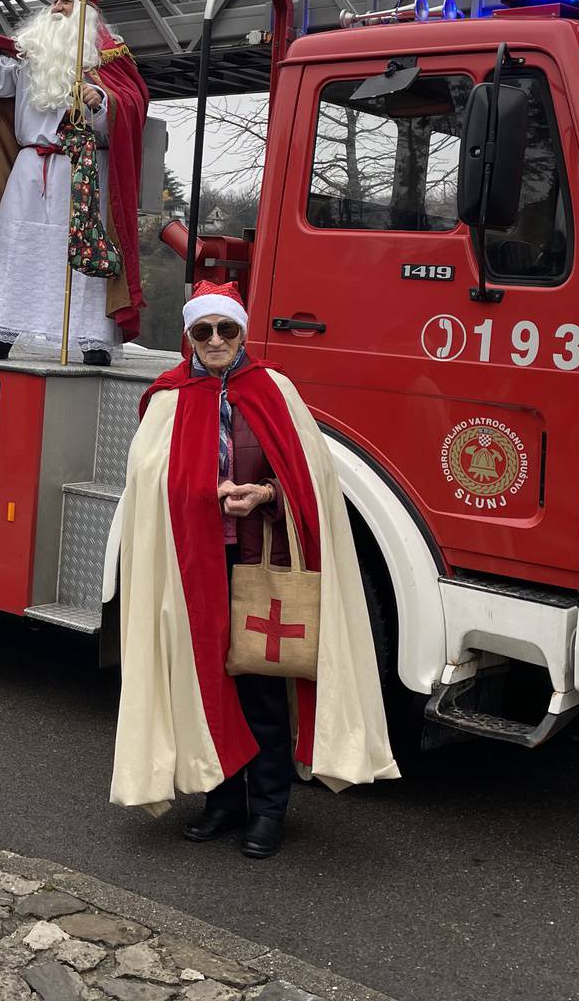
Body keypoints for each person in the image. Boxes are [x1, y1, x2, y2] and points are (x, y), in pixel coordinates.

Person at [110, 280, 397, 859]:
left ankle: (268, 810)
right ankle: (222, 801)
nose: (215, 340)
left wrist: (263, 493)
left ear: (242, 332)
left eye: (227, 329)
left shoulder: (274, 390)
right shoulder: (168, 396)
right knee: (207, 685)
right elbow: (145, 485)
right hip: (194, 566)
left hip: (258, 561)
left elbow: (311, 481)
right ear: (188, 337)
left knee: (262, 690)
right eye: (203, 331)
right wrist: (201, 491)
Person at [0, 0, 148, 364]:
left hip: (83, 170)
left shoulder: (109, 59)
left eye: (66, 1)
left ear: (86, 14)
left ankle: (92, 339)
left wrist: (101, 103)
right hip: (29, 171)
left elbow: (132, 109)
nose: (55, 7)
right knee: (16, 247)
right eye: (54, 0)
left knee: (84, 248)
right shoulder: (32, 59)